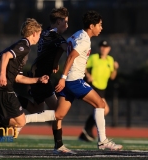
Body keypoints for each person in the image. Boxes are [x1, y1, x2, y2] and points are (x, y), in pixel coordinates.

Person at [24, 10, 123, 151]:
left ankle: (24, 119)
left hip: (69, 80)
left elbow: (61, 48)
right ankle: (103, 141)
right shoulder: (83, 40)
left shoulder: (77, 34)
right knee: (100, 104)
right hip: (74, 80)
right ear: (92, 26)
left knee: (58, 115)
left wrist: (55, 63)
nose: (101, 28)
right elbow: (71, 57)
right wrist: (63, 78)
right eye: (99, 25)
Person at [0, 18, 48, 156]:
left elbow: (19, 77)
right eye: (39, 34)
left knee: (7, 122)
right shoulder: (24, 45)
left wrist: (38, 80)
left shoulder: (23, 47)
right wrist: (3, 76)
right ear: (34, 33)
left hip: (0, 87)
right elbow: (5, 56)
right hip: (3, 88)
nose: (39, 37)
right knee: (20, 121)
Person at [16, 7, 72, 154]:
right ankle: (58, 145)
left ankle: (15, 100)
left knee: (37, 110)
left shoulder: (47, 32)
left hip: (37, 73)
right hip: (41, 77)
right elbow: (68, 49)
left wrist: (55, 61)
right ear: (59, 21)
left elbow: (57, 49)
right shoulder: (55, 37)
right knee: (58, 112)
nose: (67, 25)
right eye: (65, 22)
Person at [79, 40, 119, 142]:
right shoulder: (94, 58)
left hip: (103, 88)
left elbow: (112, 77)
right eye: (102, 46)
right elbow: (83, 65)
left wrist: (115, 68)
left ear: (109, 49)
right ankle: (89, 131)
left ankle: (86, 131)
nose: (103, 49)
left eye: (105, 47)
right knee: (104, 109)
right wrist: (88, 75)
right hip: (94, 86)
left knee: (99, 110)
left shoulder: (110, 60)